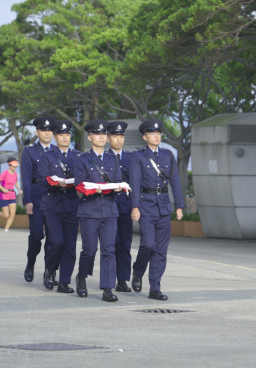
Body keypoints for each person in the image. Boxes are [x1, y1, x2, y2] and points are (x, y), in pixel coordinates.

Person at [129, 119, 185, 301]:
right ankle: (138, 270)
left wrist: (179, 206)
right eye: (152, 133)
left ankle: (155, 288)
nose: (156, 136)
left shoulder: (168, 155)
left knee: (161, 250)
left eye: (158, 133)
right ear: (145, 137)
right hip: (145, 205)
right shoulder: (138, 156)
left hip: (163, 206)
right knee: (148, 244)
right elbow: (135, 183)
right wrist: (135, 206)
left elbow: (175, 181)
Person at [74, 119, 124, 302]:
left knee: (109, 250)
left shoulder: (113, 159)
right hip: (89, 210)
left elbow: (117, 180)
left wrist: (120, 187)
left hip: (110, 210)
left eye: (104, 134)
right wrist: (96, 188)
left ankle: (108, 288)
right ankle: (81, 277)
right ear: (90, 137)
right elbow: (79, 186)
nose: (101, 137)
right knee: (89, 250)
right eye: (97, 134)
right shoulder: (82, 160)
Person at [38, 120, 81, 293]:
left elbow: (83, 177)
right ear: (55, 137)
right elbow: (41, 179)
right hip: (52, 205)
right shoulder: (47, 156)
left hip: (71, 204)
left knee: (70, 245)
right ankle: (50, 269)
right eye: (61, 135)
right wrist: (54, 182)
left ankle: (64, 281)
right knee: (56, 241)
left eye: (67, 134)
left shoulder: (77, 156)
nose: (65, 137)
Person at [20, 116, 56, 283]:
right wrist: (27, 200)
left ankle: (49, 271)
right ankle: (31, 262)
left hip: (55, 199)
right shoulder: (30, 151)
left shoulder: (57, 150)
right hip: (36, 199)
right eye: (43, 130)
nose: (47, 133)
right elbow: (26, 177)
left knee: (53, 238)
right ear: (37, 132)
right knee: (36, 235)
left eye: (49, 130)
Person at [106, 121, 134, 292]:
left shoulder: (131, 157)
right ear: (108, 138)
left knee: (124, 244)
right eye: (115, 136)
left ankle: (123, 279)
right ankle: (109, 279)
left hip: (125, 206)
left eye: (121, 136)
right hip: (108, 205)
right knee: (110, 244)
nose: (118, 139)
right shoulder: (103, 156)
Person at [0, 157, 22, 232]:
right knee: (6, 215)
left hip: (12, 195)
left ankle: (6, 229)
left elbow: (16, 182)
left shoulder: (15, 174)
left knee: (12, 214)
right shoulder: (5, 173)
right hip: (4, 196)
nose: (15, 168)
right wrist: (3, 189)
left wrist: (19, 189)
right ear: (9, 165)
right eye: (13, 166)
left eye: (16, 167)